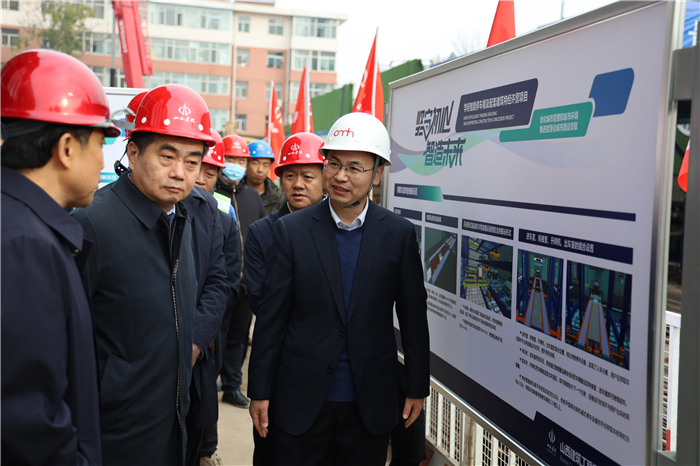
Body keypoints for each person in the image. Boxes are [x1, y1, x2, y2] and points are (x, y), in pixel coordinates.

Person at [248, 112, 430, 466]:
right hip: (300, 397)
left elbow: (413, 317)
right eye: (333, 164)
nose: (340, 176)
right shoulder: (292, 231)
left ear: (377, 174)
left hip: (369, 401)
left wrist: (417, 387)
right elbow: (271, 318)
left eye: (354, 168)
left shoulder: (397, 234)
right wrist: (259, 390)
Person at [71, 83, 215, 466]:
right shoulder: (92, 224)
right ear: (133, 153)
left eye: (192, 162)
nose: (179, 173)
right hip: (113, 432)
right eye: (167, 156)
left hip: (172, 421)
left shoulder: (181, 217)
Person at [1, 49, 121, 465]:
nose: (103, 160)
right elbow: (28, 424)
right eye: (101, 144)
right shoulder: (25, 245)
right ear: (67, 148)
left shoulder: (22, 224)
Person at [245, 132, 326, 466]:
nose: (298, 184)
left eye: (308, 176)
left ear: (325, 178)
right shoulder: (261, 232)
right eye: (290, 175)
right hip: (280, 364)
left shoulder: (341, 229)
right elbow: (262, 301)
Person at [192, 130, 243, 466]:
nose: (200, 178)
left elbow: (228, 283)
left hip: (207, 336)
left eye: (210, 173)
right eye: (198, 167)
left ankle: (204, 451)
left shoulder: (224, 222)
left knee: (201, 405)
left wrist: (203, 328)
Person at [182, 128, 230, 466]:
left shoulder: (210, 211)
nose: (197, 176)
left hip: (196, 353)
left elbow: (219, 282)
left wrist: (198, 340)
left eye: (197, 163)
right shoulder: (101, 214)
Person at [216, 135, 265, 409]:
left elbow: (261, 239)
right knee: (215, 335)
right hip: (219, 284)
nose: (236, 165)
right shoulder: (211, 194)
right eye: (231, 159)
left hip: (247, 284)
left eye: (241, 160)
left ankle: (232, 385)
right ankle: (210, 379)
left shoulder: (253, 197)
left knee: (238, 337)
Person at [245, 140, 285, 214]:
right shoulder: (234, 192)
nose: (260, 170)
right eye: (255, 163)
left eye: (265, 165)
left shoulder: (278, 198)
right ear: (246, 164)